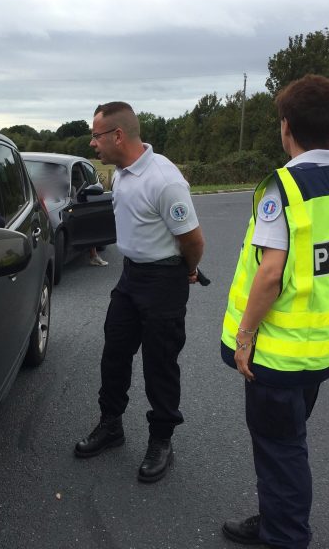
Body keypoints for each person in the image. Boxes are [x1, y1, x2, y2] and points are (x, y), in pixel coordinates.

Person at [220, 75, 329, 548]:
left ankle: (284, 536)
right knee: (288, 444)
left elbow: (270, 273)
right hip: (323, 348)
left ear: (285, 126)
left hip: (280, 355)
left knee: (281, 451)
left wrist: (245, 337)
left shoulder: (282, 191)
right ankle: (274, 520)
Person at [74, 101, 205, 483]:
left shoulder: (164, 180)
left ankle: (161, 439)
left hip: (163, 280)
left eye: (96, 135)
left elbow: (193, 239)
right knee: (114, 352)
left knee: (160, 363)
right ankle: (111, 425)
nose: (92, 143)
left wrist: (189, 269)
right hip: (131, 277)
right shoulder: (121, 173)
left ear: (117, 135)